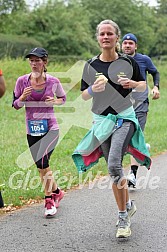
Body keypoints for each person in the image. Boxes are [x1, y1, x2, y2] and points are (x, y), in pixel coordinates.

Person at [72, 20, 151, 238]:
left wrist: (133, 85)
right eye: (102, 34)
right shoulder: (90, 66)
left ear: (117, 37)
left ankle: (123, 218)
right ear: (97, 38)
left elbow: (143, 84)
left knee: (115, 163)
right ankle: (128, 205)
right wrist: (92, 89)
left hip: (124, 118)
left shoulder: (128, 62)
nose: (105, 37)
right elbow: (83, 95)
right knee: (113, 170)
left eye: (109, 34)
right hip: (101, 121)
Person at [12, 47, 66, 217]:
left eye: (37, 60)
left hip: (51, 128)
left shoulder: (53, 81)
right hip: (32, 128)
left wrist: (54, 101)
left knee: (42, 163)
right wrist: (21, 98)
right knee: (42, 166)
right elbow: (15, 105)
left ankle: (49, 200)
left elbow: (63, 99)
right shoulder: (22, 81)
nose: (34, 64)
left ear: (45, 62)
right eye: (31, 60)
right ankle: (57, 191)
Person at [122, 33, 160, 187]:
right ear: (121, 45)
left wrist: (156, 87)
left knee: (134, 135)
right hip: (121, 105)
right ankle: (143, 147)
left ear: (135, 46)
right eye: (125, 43)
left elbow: (155, 72)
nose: (127, 45)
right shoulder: (117, 60)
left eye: (131, 43)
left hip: (140, 103)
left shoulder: (144, 59)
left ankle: (132, 174)